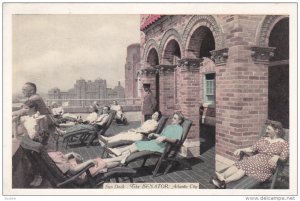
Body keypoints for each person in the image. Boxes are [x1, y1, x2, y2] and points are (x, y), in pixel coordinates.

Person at [211, 120, 289, 189]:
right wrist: (241, 149)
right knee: (241, 163)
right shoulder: (263, 139)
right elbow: (252, 148)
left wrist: (277, 156)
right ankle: (223, 177)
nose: (266, 131)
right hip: (256, 159)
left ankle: (224, 181)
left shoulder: (284, 143)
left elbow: (284, 157)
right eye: (266, 128)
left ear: (277, 130)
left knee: (247, 165)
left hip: (268, 163)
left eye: (268, 129)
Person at [107, 112, 184, 163]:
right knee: (137, 143)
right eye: (173, 118)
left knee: (138, 145)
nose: (172, 119)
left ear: (179, 121)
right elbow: (161, 136)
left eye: (175, 118)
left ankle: (122, 154)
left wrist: (165, 138)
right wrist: (154, 134)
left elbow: (175, 140)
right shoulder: (169, 126)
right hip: (156, 143)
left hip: (163, 147)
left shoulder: (179, 128)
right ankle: (121, 153)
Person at [13, 100, 49, 187]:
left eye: (26, 108)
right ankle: (36, 175)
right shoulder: (26, 117)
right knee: (31, 158)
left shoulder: (40, 117)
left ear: (33, 108)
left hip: (36, 141)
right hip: (29, 140)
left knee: (35, 159)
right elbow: (16, 122)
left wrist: (39, 125)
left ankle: (38, 176)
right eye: (23, 108)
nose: (24, 110)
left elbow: (43, 133)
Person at [47, 151, 123, 184]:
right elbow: (73, 171)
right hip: (79, 176)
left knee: (97, 161)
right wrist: (88, 162)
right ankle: (121, 161)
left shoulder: (49, 155)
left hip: (78, 172)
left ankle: (120, 159)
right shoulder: (52, 157)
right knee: (102, 164)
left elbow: (61, 160)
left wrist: (70, 154)